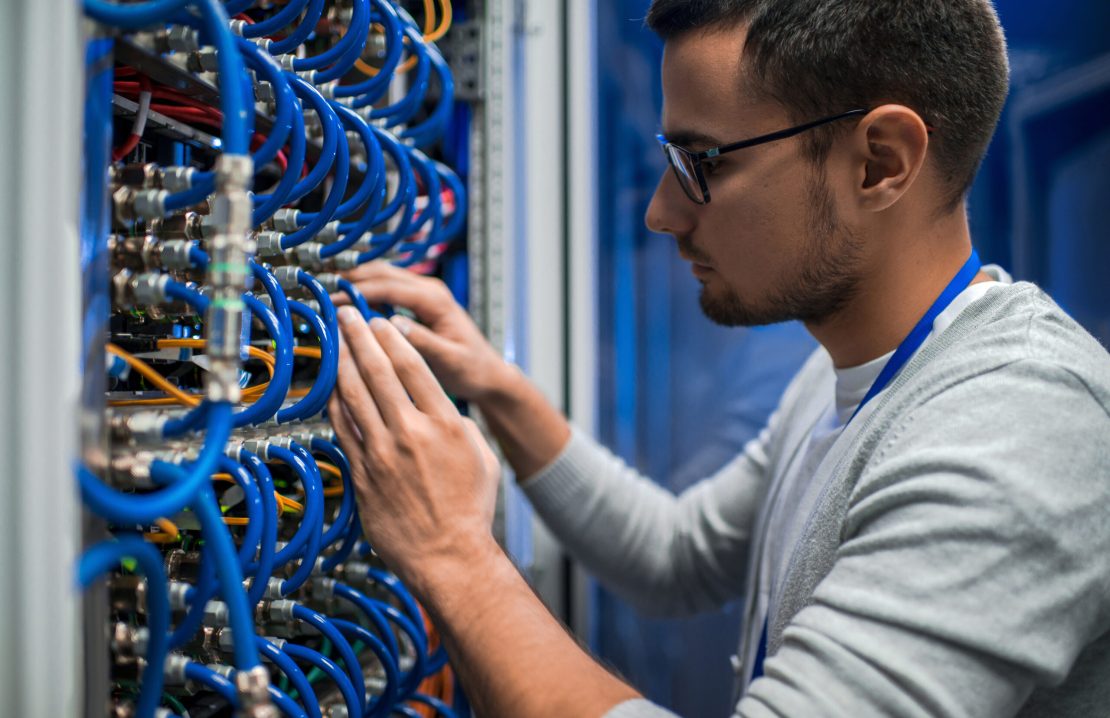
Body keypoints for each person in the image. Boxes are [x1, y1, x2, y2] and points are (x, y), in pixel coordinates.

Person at [327, 1, 1110, 715]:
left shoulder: (1019, 430)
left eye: (703, 163)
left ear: (881, 161)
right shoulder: (855, 370)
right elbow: (678, 558)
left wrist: (452, 553)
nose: (661, 214)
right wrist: (496, 386)